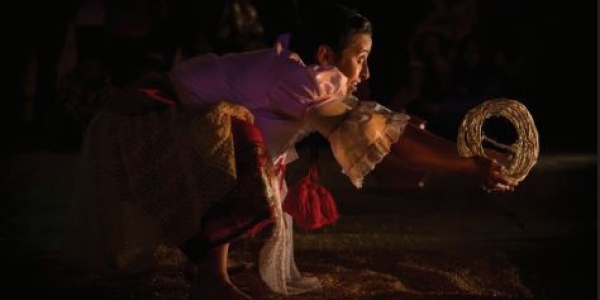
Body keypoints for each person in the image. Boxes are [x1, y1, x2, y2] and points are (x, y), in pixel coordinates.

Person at [62, 3, 516, 300]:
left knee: (252, 150)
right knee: (238, 138)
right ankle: (210, 279)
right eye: (359, 57)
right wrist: (466, 165)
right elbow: (388, 135)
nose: (365, 69)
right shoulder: (300, 80)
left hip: (164, 126)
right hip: (141, 130)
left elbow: (387, 130)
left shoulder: (308, 76)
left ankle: (206, 263)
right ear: (325, 53)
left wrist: (459, 158)